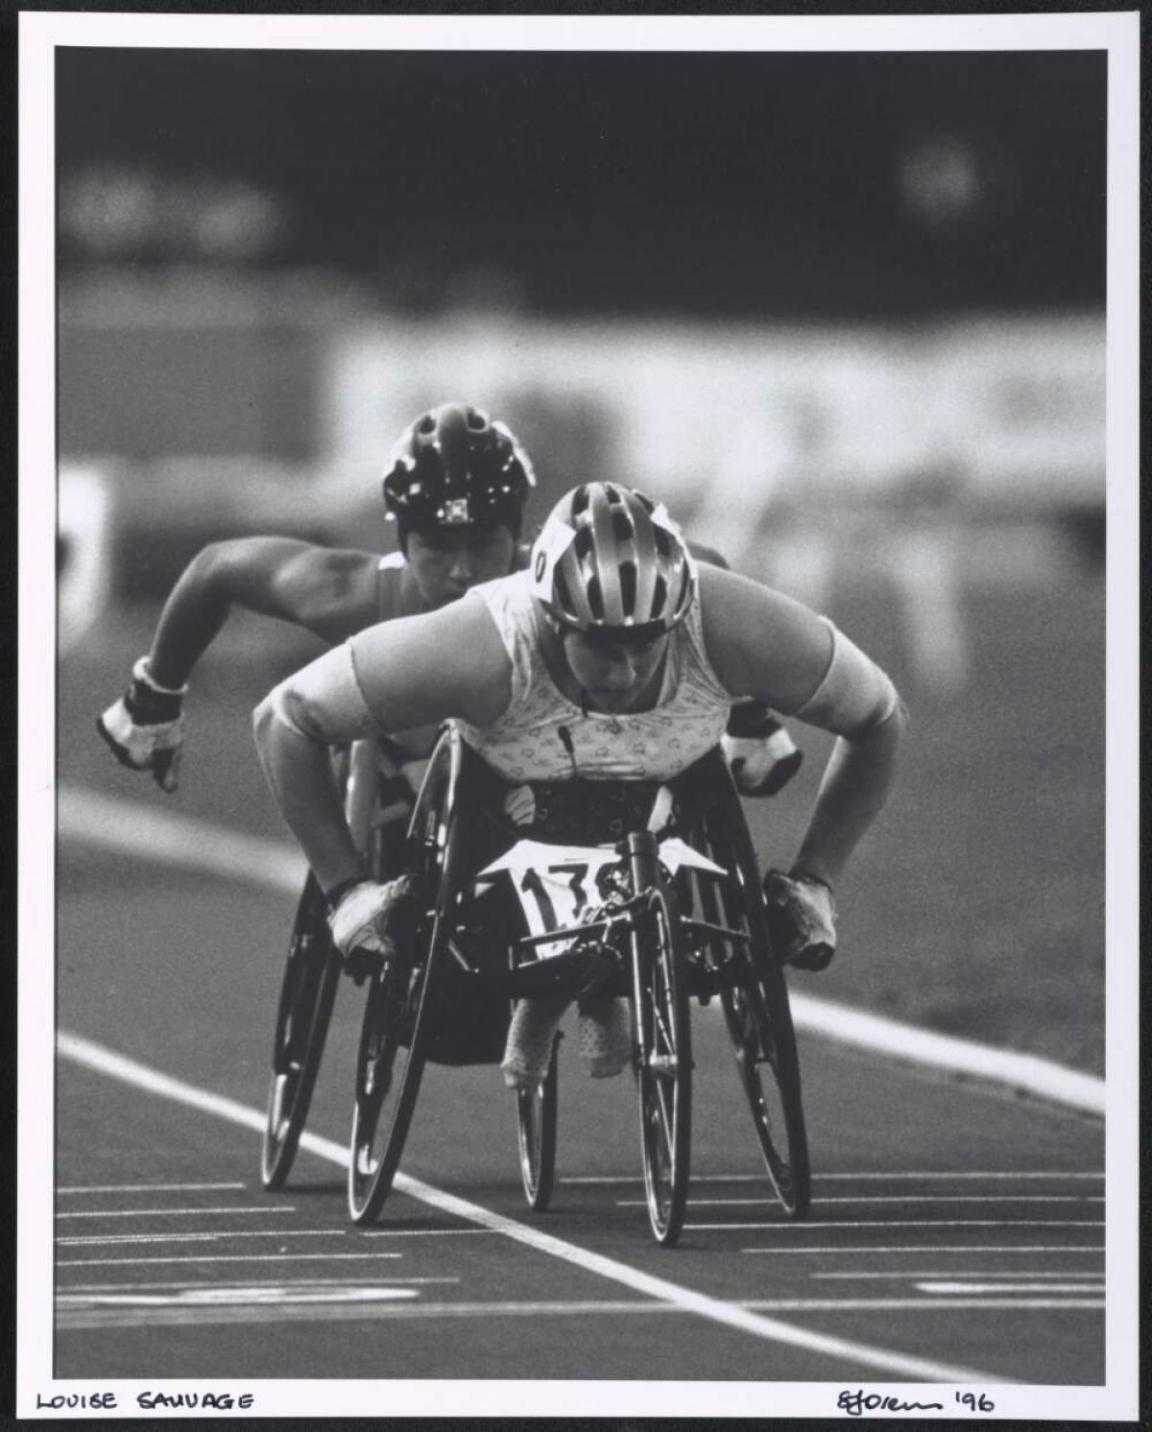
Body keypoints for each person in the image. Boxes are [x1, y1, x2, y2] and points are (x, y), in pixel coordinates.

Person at [252, 482, 907, 1089]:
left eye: (647, 644)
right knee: (451, 1033)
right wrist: (345, 890)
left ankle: (582, 985)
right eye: (600, 645)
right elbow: (283, 719)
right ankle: (562, 992)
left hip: (668, 798)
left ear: (679, 615)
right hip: (511, 807)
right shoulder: (478, 643)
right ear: (550, 619)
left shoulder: (732, 623)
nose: (624, 671)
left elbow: (878, 717)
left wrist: (816, 879)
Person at [96, 404, 802, 800]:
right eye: (437, 545)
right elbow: (217, 566)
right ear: (401, 536)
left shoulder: (563, 589)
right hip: (400, 783)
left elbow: (697, 569)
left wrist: (747, 712)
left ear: (521, 534)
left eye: (483, 543)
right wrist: (153, 696)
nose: (462, 571)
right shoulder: (356, 591)